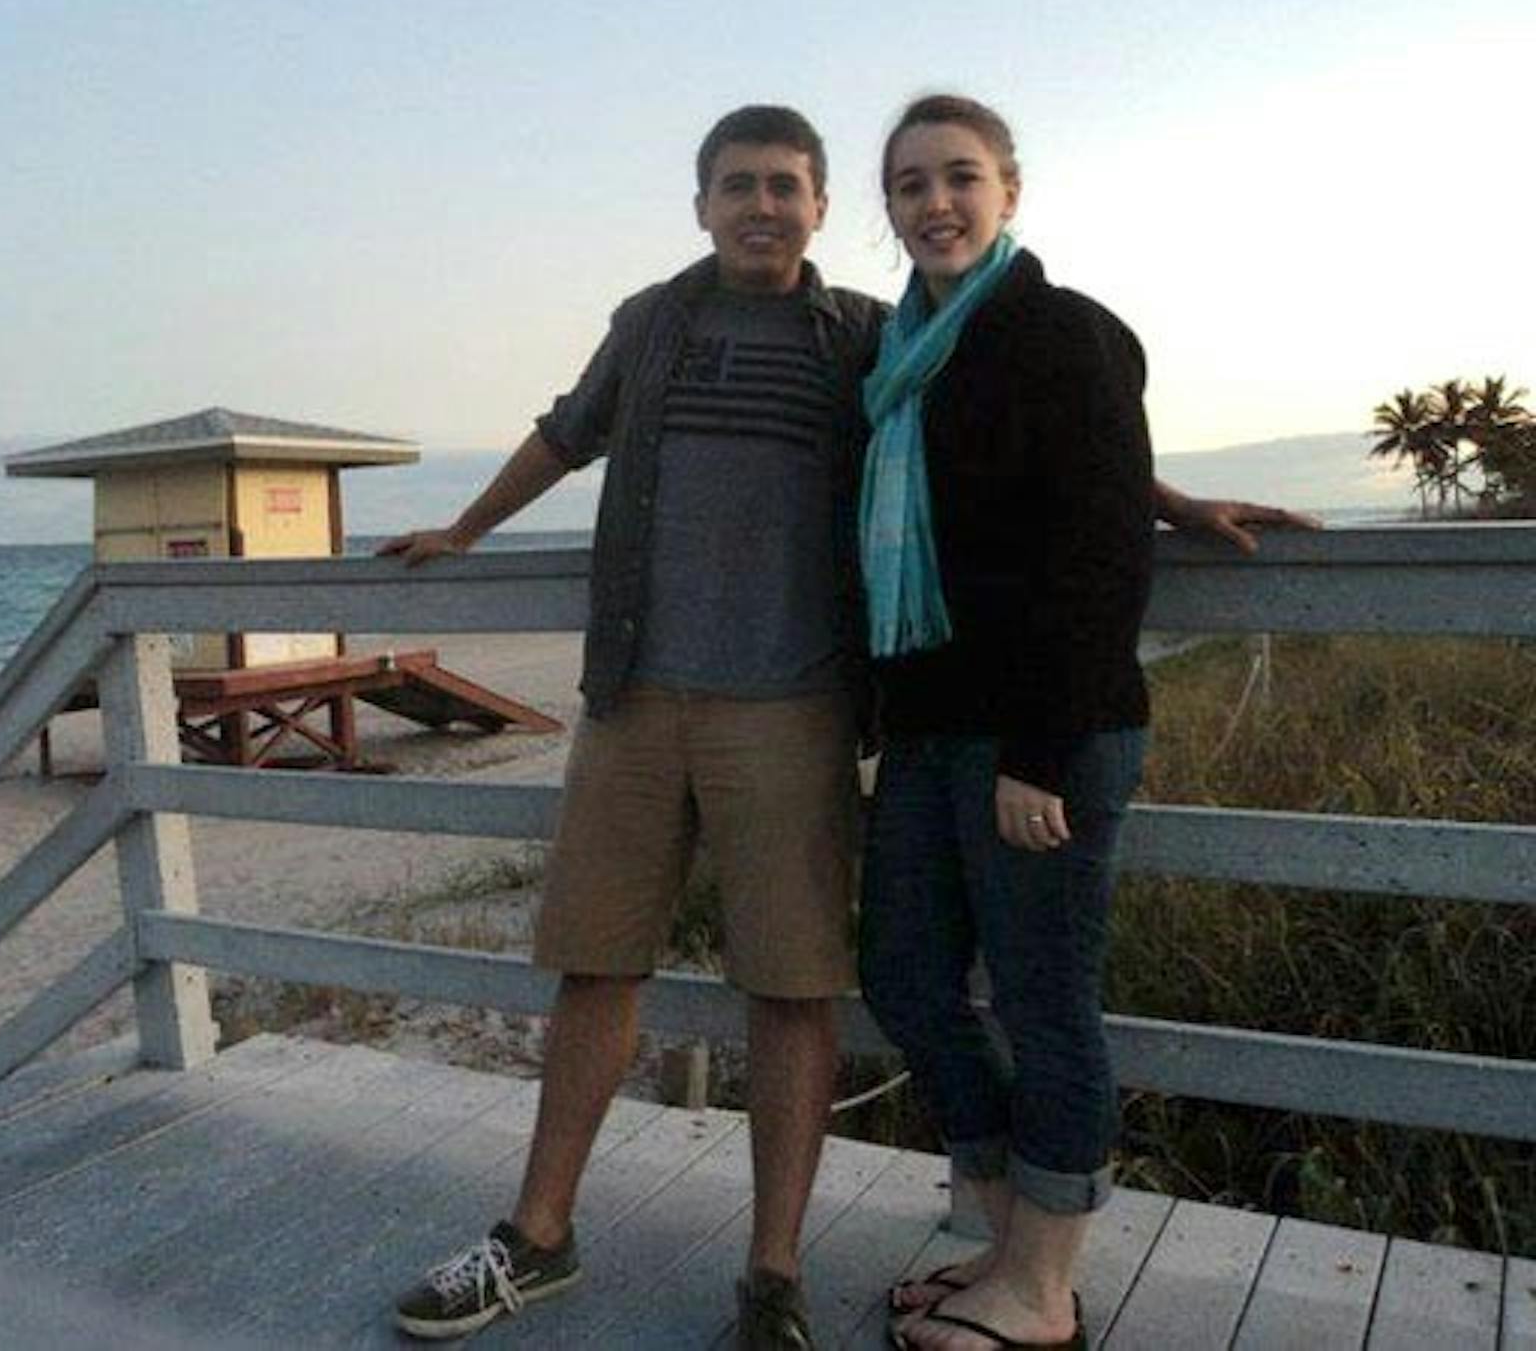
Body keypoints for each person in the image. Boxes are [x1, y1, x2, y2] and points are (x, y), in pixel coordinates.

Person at [381, 102, 1309, 1349]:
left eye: (785, 185)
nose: (760, 205)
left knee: (805, 987)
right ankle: (537, 1234)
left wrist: (1168, 501)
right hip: (640, 696)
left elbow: (1056, 447)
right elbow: (564, 431)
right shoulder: (655, 323)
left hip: (800, 705)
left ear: (821, 209)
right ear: (701, 204)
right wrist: (464, 529)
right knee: (612, 966)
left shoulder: (868, 335)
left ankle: (780, 1277)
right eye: (737, 185)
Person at [856, 94, 1153, 1351]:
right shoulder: (898, 359)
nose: (935, 202)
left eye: (959, 176)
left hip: (1040, 732)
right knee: (903, 977)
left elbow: (1097, 549)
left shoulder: (1062, 330)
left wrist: (1037, 753)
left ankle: (1038, 1290)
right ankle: (1002, 1239)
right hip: (927, 728)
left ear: (1008, 191)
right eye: (909, 183)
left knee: (1042, 999)